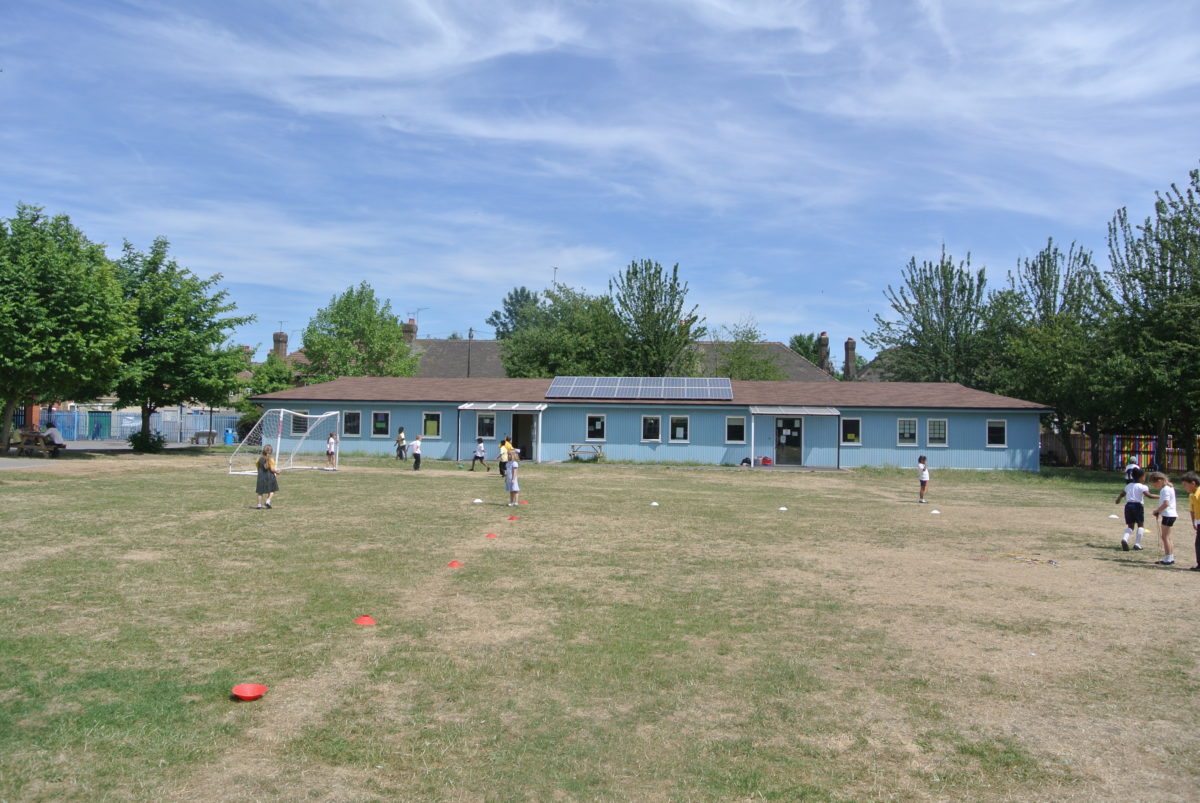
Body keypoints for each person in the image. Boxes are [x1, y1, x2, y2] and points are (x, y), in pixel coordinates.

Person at [1115, 467, 1152, 551]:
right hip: (1138, 506)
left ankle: (1125, 539)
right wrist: (1160, 496)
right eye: (1144, 476)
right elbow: (1149, 495)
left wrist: (1118, 499)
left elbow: (1122, 494)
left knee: (1130, 526)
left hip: (1128, 506)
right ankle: (1137, 544)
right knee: (1140, 525)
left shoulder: (1128, 485)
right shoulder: (1142, 487)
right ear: (1141, 477)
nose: (1145, 478)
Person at [1148, 471, 1178, 566]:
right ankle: (1170, 557)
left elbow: (1166, 503)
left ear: (1160, 480)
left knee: (1165, 537)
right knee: (1167, 537)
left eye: (1155, 483)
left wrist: (1157, 511)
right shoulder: (1169, 487)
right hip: (1170, 515)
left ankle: (1168, 558)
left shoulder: (1165, 489)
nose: (1154, 486)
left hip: (1168, 515)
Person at [1180, 471, 1200, 572]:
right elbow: (1192, 510)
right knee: (1198, 544)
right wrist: (1194, 522)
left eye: (1185, 485)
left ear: (1193, 483)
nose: (1184, 487)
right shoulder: (1192, 495)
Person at [255, 444, 280, 509]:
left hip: (261, 477)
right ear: (271, 451)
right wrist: (277, 472)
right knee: (272, 490)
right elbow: (272, 469)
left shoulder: (258, 459)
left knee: (260, 492)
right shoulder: (271, 459)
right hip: (270, 477)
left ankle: (259, 505)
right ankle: (268, 501)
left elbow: (258, 468)